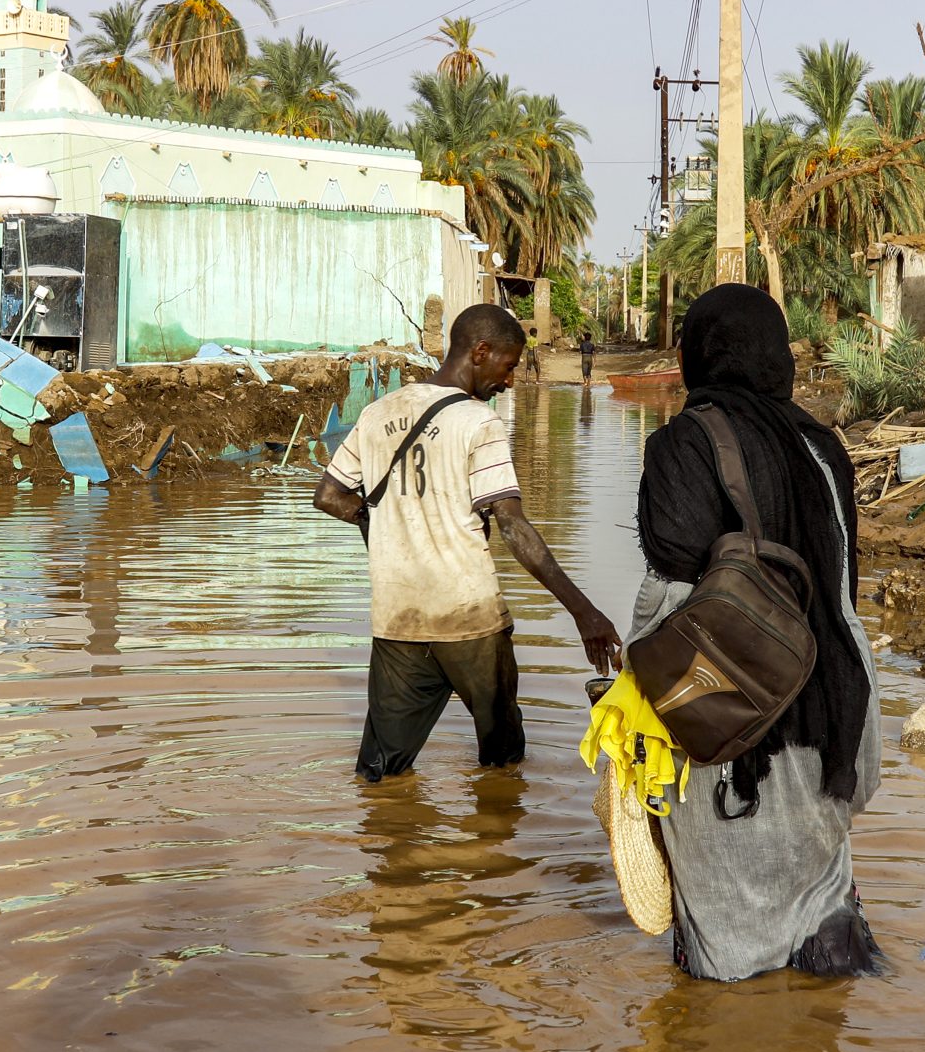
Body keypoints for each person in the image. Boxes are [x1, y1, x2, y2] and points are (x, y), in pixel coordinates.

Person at [632, 284, 883, 980]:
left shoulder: (685, 443)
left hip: (729, 722)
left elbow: (671, 586)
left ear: (696, 356)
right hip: (831, 708)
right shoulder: (824, 447)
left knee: (726, 938)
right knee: (819, 889)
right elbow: (842, 587)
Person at [315, 303, 622, 783]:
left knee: (381, 775)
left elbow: (329, 495)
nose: (511, 379)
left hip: (398, 619)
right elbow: (512, 525)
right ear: (481, 352)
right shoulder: (479, 423)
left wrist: (382, 527)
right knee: (504, 767)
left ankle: (387, 845)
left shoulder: (378, 412)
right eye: (510, 364)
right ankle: (496, 848)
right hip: (470, 621)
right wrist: (584, 611)